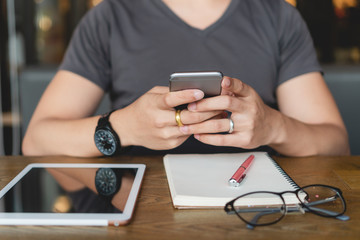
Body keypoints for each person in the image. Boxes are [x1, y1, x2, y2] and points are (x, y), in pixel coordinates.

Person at [22, 0, 350, 157]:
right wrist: (123, 127)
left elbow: (336, 144)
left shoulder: (278, 17)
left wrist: (273, 126)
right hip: (140, 210)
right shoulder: (111, 17)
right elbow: (37, 140)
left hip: (254, 206)